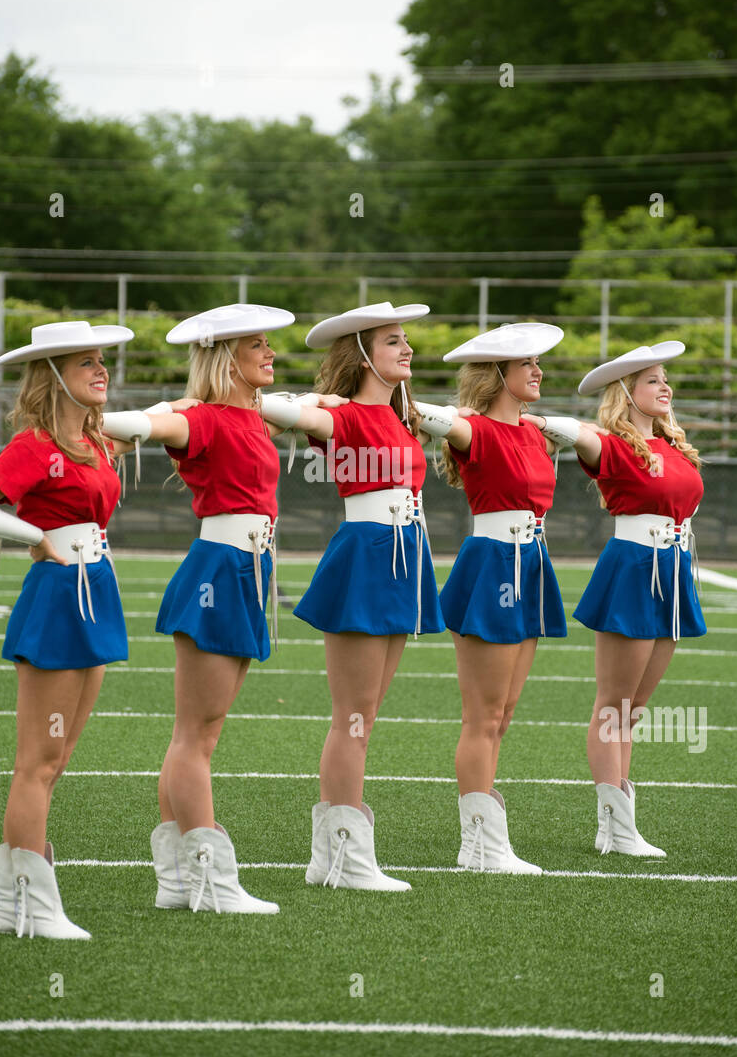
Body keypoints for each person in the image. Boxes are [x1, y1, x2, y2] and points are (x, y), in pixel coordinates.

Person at [101, 303, 297, 916]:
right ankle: (211, 880)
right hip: (218, 570)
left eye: (269, 344)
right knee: (197, 737)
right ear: (224, 357)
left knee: (197, 735)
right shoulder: (200, 416)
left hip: (249, 569)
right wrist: (130, 419)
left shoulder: (252, 414)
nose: (269, 352)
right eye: (257, 345)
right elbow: (141, 424)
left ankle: (177, 878)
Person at [0, 319, 134, 939]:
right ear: (54, 375)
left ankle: (19, 903)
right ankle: (29, 903)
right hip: (59, 597)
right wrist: (38, 540)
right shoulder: (33, 446)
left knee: (57, 759)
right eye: (86, 363)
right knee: (38, 760)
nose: (101, 370)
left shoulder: (99, 442)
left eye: (101, 360)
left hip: (97, 591)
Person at [261, 302, 445, 892]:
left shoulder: (401, 417)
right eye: (394, 342)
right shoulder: (343, 417)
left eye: (406, 340)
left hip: (404, 555)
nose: (408, 349)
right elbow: (273, 409)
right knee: (354, 716)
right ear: (364, 354)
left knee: (368, 715)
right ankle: (345, 856)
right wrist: (319, 402)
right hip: (367, 555)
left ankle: (333, 857)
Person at [413, 323, 572, 874]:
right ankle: (478, 844)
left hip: (531, 563)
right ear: (497, 374)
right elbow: (418, 412)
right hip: (491, 564)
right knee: (482, 715)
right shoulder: (472, 429)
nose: (538, 371)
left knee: (503, 714)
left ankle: (486, 839)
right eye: (526, 363)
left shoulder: (533, 430)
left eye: (537, 363)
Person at [572, 341, 705, 857]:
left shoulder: (672, 446)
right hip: (632, 570)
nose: (665, 387)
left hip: (672, 571)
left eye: (665, 378)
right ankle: (616, 827)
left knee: (636, 709)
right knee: (613, 705)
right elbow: (575, 432)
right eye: (652, 380)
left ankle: (620, 824)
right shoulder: (611, 444)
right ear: (626, 392)